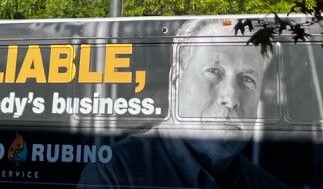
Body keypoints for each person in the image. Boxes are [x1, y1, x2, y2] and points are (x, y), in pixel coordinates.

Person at [78, 18, 287, 189]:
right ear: (176, 81)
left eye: (247, 80)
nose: (231, 98)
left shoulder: (269, 186)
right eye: (214, 72)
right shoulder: (116, 173)